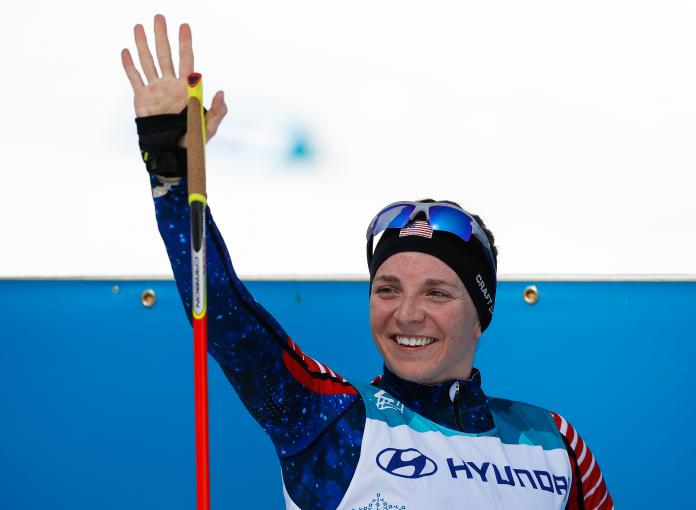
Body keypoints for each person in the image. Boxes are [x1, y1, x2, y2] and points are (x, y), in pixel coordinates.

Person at [122, 15, 613, 510]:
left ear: (480, 315)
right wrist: (171, 175)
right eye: (388, 289)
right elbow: (230, 324)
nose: (407, 313)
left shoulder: (554, 443)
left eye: (437, 292)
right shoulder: (331, 420)